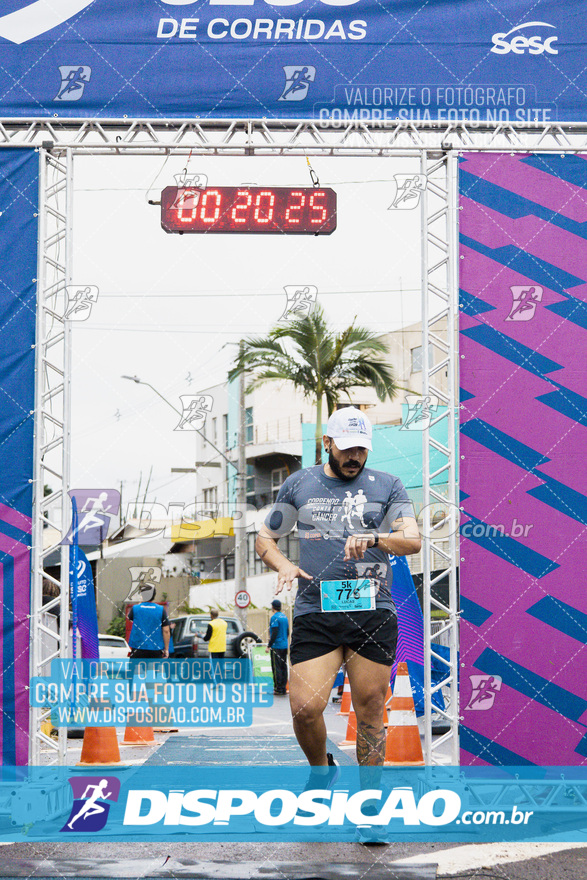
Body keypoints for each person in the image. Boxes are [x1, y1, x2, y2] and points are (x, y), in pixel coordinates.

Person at [255, 406, 421, 783]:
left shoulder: (389, 485)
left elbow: (412, 540)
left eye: (362, 449)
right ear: (327, 443)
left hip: (372, 610)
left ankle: (370, 803)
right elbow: (266, 538)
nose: (355, 457)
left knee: (370, 713)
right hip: (316, 610)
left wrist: (377, 537)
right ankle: (321, 770)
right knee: (305, 708)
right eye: (347, 449)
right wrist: (282, 564)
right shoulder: (299, 483)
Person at [127, 586, 170, 659]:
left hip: (138, 647)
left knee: (135, 669)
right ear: (154, 596)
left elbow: (129, 618)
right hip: (155, 648)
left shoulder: (136, 608)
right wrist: (166, 649)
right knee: (154, 668)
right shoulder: (161, 610)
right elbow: (166, 631)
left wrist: (140, 603)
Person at [266, 598, 289, 695]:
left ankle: (278, 688)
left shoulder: (274, 618)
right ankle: (283, 687)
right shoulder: (284, 617)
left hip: (277, 646)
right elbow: (287, 632)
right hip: (284, 645)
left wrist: (269, 645)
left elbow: (274, 632)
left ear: (273, 607)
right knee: (283, 666)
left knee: (277, 667)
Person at [203, 609, 227, 681]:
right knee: (220, 665)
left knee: (214, 666)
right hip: (222, 647)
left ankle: (216, 682)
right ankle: (221, 680)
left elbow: (207, 638)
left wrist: (200, 636)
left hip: (214, 648)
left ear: (211, 615)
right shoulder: (224, 623)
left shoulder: (211, 624)